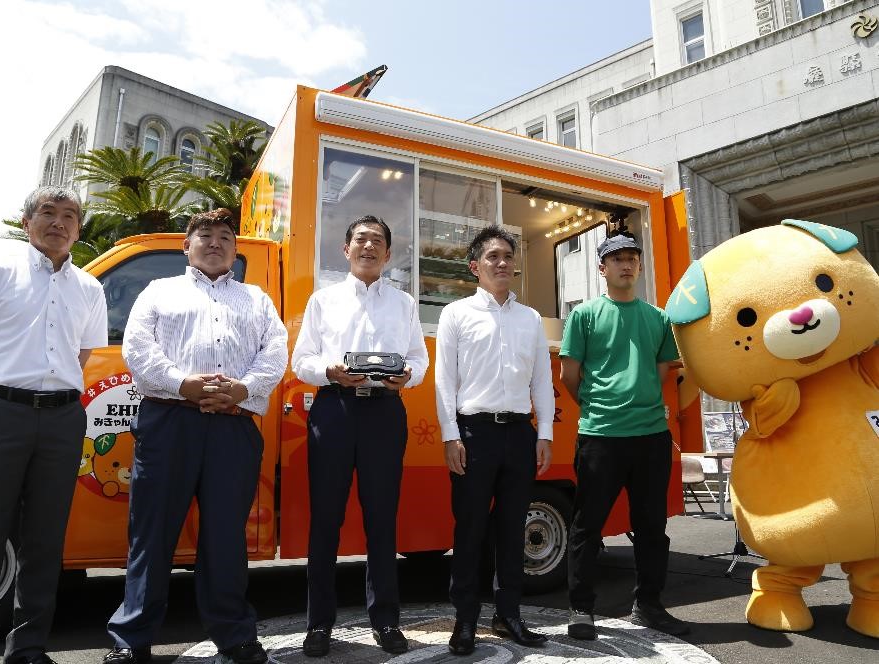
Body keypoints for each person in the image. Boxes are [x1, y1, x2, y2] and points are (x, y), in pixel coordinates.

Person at [103, 209, 288, 664]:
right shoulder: (158, 291)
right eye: (204, 235)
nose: (215, 242)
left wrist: (242, 389)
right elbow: (137, 348)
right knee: (152, 533)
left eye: (226, 236)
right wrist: (182, 383)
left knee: (226, 535)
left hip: (233, 426)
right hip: (168, 422)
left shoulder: (257, 299)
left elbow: (275, 351)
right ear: (186, 246)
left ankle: (235, 635)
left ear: (235, 250)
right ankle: (132, 640)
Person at [292, 215, 428, 658]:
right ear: (346, 250)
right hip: (334, 410)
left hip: (384, 413)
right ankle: (319, 625)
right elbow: (302, 360)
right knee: (325, 521)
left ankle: (386, 620)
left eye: (378, 242)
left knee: (381, 520)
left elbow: (419, 360)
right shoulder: (323, 300)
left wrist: (407, 376)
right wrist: (328, 371)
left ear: (389, 254)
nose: (369, 247)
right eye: (361, 240)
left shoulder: (404, 303)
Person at [0, 186, 108, 664]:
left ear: (79, 230)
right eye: (48, 213)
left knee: (45, 538)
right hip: (2, 411)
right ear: (27, 221)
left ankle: (29, 646)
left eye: (70, 216)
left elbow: (82, 353)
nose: (59, 223)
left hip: (62, 417)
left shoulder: (89, 287)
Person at [559, 232, 689, 640]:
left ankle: (649, 605)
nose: (626, 265)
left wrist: (640, 399)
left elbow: (665, 370)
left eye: (633, 258)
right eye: (617, 259)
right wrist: (601, 408)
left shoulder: (658, 317)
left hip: (651, 436)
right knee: (587, 526)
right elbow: (568, 375)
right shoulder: (584, 316)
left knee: (651, 526)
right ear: (602, 269)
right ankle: (581, 608)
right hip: (600, 436)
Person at [435, 225, 553, 656]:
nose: (502, 262)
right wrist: (451, 435)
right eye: (492, 257)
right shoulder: (456, 314)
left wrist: (544, 434)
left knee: (512, 530)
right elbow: (445, 382)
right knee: (468, 531)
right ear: (475, 266)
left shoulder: (530, 319)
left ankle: (508, 616)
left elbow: (542, 380)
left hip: (519, 434)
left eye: (507, 256)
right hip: (473, 433)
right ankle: (464, 621)